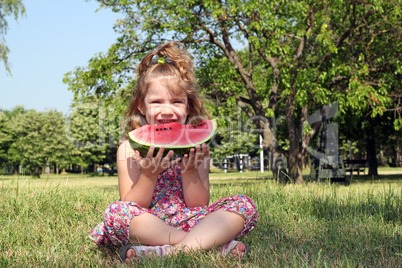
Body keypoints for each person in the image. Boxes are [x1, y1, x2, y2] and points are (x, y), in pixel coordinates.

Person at [89, 41, 258, 262]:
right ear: (141, 106)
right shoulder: (129, 148)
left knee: (244, 206)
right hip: (148, 222)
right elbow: (129, 204)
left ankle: (166, 252)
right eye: (157, 102)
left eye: (177, 101)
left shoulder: (197, 149)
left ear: (188, 106)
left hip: (189, 217)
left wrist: (189, 171)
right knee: (116, 214)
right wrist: (148, 175)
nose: (167, 110)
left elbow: (198, 205)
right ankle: (208, 244)